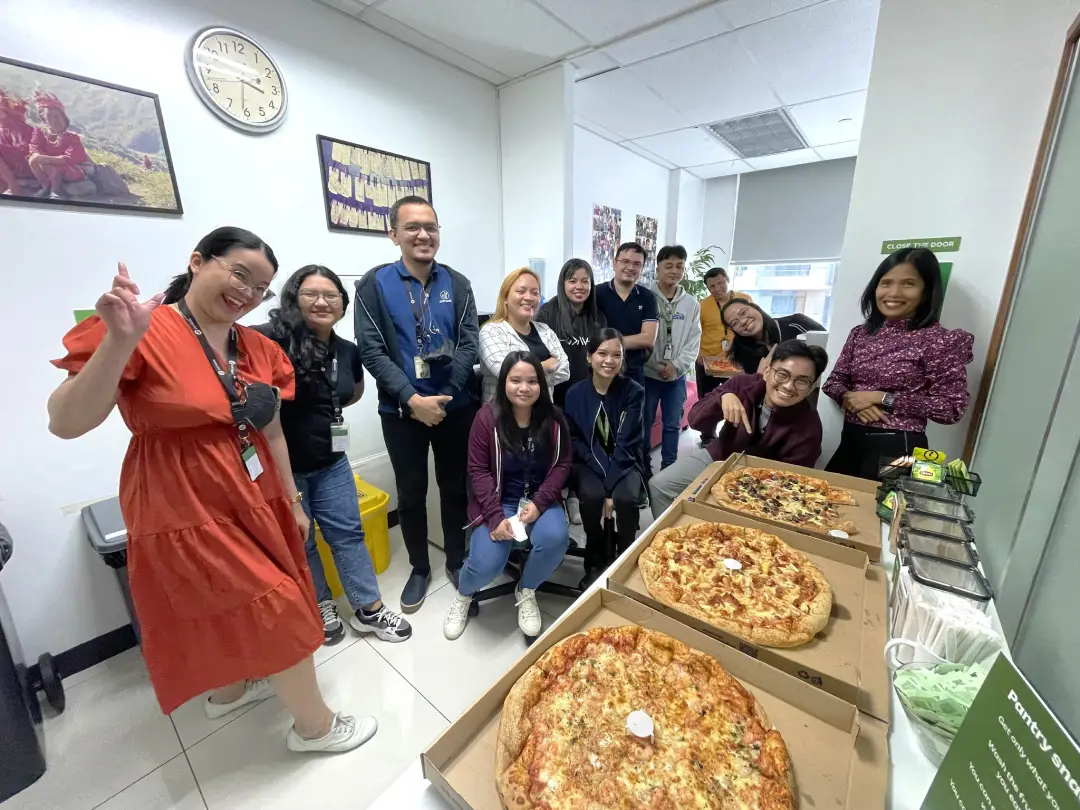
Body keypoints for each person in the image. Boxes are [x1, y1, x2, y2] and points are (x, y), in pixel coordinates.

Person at [47, 228, 373, 753]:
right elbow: (65, 422)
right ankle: (315, 728)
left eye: (261, 287)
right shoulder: (145, 330)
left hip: (255, 491)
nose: (248, 293)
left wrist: (292, 500)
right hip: (182, 500)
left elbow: (271, 431)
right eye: (240, 274)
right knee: (280, 604)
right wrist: (120, 341)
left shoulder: (259, 349)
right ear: (198, 261)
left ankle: (231, 691)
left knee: (228, 600)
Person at [254, 266, 411, 646]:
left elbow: (351, 393)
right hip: (281, 468)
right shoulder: (268, 340)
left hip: (331, 462)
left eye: (331, 295)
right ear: (293, 298)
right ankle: (321, 604)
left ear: (342, 303)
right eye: (311, 294)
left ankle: (368, 609)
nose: (322, 302)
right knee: (302, 540)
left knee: (348, 534)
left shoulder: (347, 351)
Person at [354, 195, 479, 613]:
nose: (423, 234)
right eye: (412, 227)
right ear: (393, 234)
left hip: (453, 407)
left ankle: (457, 559)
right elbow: (371, 351)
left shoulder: (458, 284)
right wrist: (411, 399)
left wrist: (445, 395)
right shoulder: (373, 285)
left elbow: (469, 343)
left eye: (431, 227)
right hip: (400, 412)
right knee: (410, 493)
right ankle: (420, 568)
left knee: (454, 488)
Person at [443, 352, 572, 641]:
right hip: (498, 502)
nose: (524, 388)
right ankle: (464, 595)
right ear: (504, 382)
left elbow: (562, 464)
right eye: (516, 380)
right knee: (487, 563)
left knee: (555, 538)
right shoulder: (486, 418)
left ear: (541, 384)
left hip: (539, 500)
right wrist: (494, 516)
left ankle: (526, 590)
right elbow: (477, 470)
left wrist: (540, 503)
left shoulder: (554, 418)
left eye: (532, 381)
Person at [823, 248, 974, 480]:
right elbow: (834, 381)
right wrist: (850, 399)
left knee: (882, 501)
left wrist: (883, 398)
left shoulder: (939, 340)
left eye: (908, 284)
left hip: (899, 447)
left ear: (926, 291)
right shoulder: (861, 334)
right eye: (886, 283)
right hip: (852, 438)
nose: (893, 292)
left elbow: (951, 408)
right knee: (828, 497)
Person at [649, 340, 828, 517]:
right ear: (767, 372)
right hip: (720, 456)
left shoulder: (809, 427)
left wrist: (741, 487)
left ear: (811, 388)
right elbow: (695, 420)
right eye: (782, 374)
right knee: (660, 485)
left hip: (765, 480)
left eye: (802, 381)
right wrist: (722, 398)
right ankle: (671, 534)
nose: (788, 386)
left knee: (727, 512)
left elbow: (792, 484)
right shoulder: (742, 384)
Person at [564, 329, 646, 588]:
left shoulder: (633, 392)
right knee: (591, 496)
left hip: (624, 459)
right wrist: (602, 482)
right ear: (589, 357)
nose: (609, 361)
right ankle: (595, 557)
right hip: (588, 461)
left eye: (616, 355)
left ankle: (626, 557)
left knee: (626, 498)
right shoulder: (574, 394)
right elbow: (575, 440)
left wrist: (610, 487)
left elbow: (627, 442)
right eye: (602, 353)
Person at [644, 245, 701, 471]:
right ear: (658, 269)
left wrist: (676, 365)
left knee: (672, 425)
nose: (674, 271)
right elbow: (639, 336)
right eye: (668, 266)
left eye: (679, 266)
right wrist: (653, 365)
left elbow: (694, 340)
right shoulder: (645, 297)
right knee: (644, 423)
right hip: (648, 375)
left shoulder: (691, 304)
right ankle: (643, 467)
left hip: (676, 377)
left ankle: (669, 468)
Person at [478, 267, 569, 402]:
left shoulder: (545, 330)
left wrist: (523, 375)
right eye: (521, 291)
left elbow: (565, 371)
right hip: (502, 412)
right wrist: (547, 365)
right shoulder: (491, 331)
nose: (529, 297)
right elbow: (505, 373)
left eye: (535, 293)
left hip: (542, 412)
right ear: (505, 297)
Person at [534, 258, 605, 409]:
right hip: (555, 395)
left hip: (588, 394)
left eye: (585, 281)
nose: (579, 286)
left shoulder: (598, 317)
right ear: (563, 284)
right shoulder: (547, 314)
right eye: (572, 281)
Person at [594, 242, 658, 388]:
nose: (630, 267)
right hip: (601, 370)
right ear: (614, 263)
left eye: (637, 264)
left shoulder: (647, 297)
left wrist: (608, 345)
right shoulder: (596, 294)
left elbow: (648, 338)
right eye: (625, 261)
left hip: (634, 373)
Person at [721, 299, 823, 375]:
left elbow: (829, 353)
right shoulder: (743, 353)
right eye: (735, 323)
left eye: (743, 312)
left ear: (754, 307)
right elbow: (754, 388)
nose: (743, 321)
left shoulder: (796, 322)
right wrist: (759, 375)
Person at [696, 267, 752, 400]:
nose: (717, 288)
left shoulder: (744, 299)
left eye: (720, 283)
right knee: (706, 402)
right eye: (712, 286)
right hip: (707, 361)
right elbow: (694, 334)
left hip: (736, 361)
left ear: (727, 280)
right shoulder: (702, 306)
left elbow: (753, 326)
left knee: (737, 400)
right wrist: (697, 355)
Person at [28, 92, 90, 200]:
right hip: (48, 166)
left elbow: (70, 158)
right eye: (49, 117)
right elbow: (34, 147)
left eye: (57, 116)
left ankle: (56, 190)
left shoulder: (72, 137)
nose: (54, 120)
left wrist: (47, 159)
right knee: (33, 159)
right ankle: (46, 186)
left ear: (64, 118)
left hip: (72, 168)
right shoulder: (39, 132)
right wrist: (40, 157)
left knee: (53, 165)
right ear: (44, 120)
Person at [0, 90, 34, 196]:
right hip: (12, 172)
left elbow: (25, 152)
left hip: (26, 171)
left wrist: (12, 183)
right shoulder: (3, 129)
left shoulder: (18, 127)